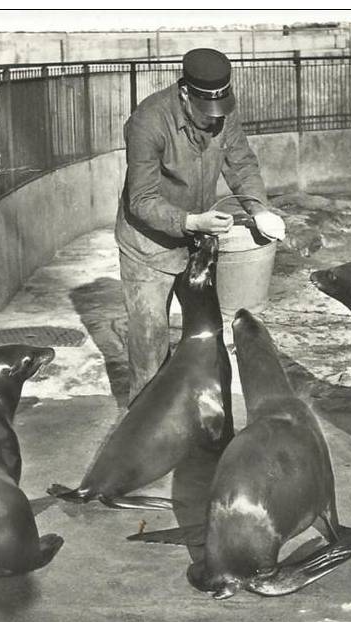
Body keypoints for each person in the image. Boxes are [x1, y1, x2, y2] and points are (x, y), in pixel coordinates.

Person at [115, 47, 286, 403]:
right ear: (184, 93)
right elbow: (141, 200)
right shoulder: (148, 121)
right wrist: (191, 221)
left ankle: (199, 419)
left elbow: (241, 164)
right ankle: (141, 429)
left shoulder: (222, 112)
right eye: (205, 112)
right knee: (150, 345)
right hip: (148, 247)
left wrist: (259, 210)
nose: (213, 121)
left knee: (207, 337)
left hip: (196, 243)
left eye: (218, 112)